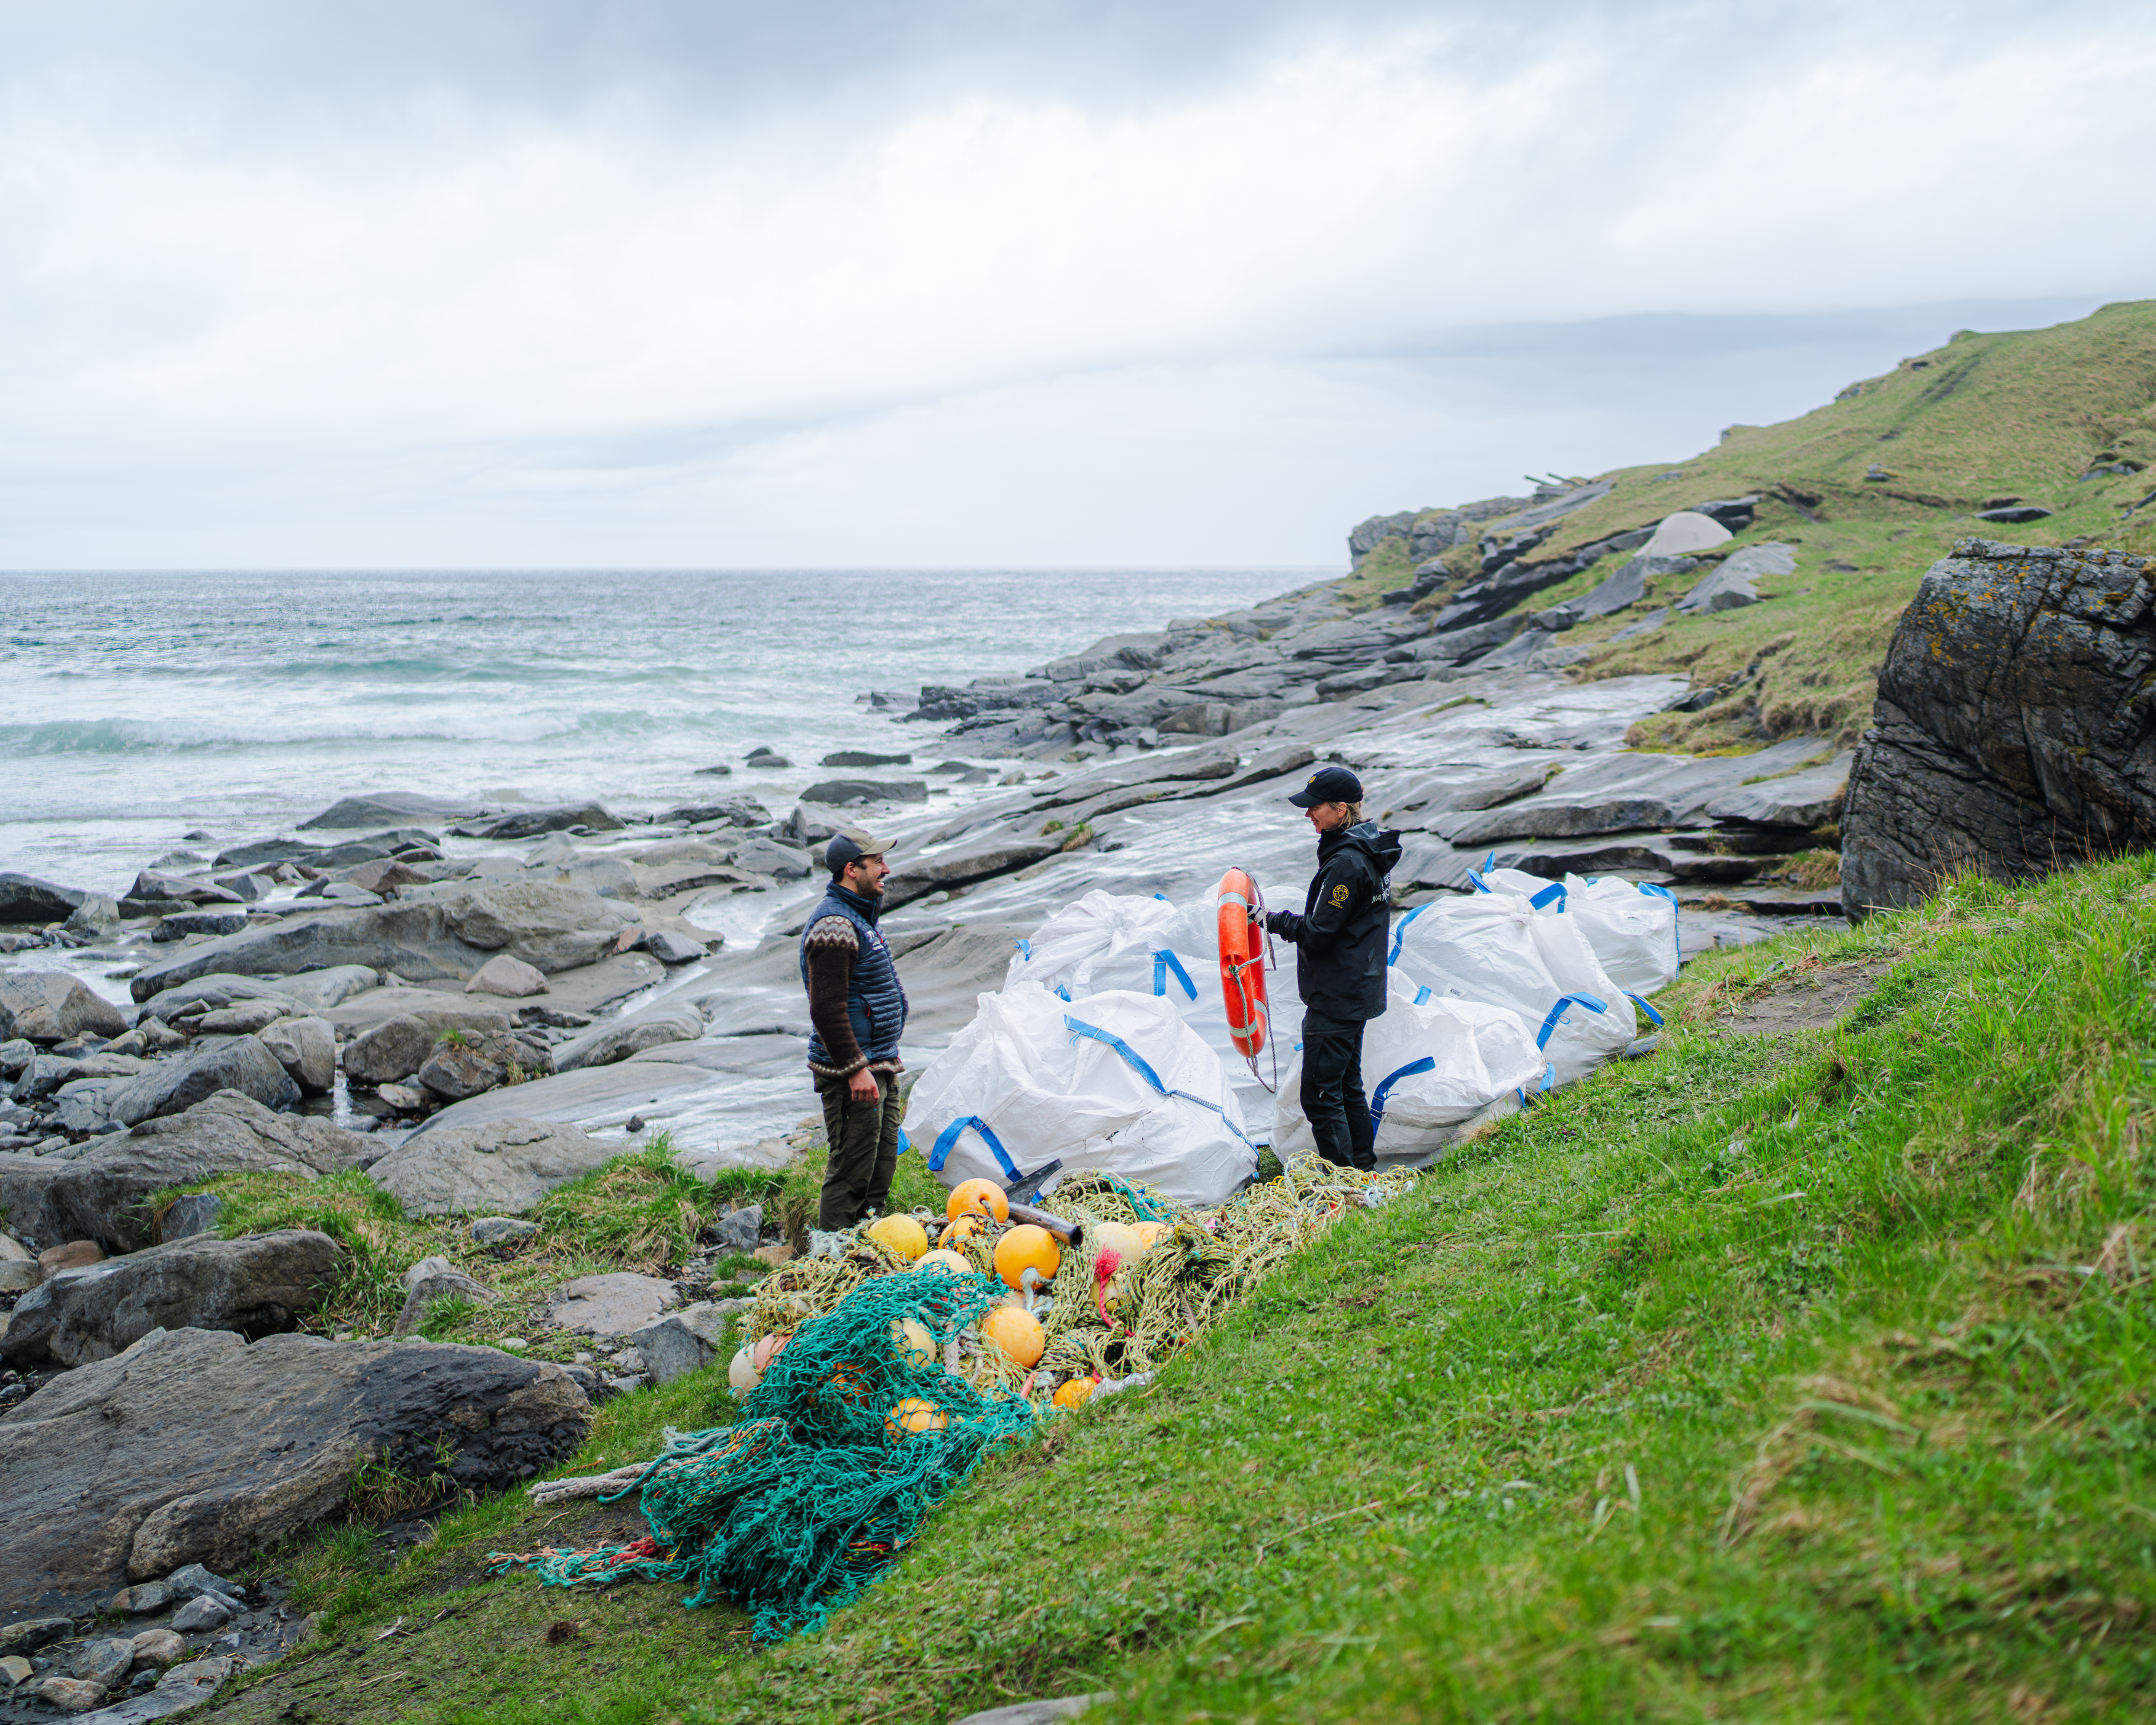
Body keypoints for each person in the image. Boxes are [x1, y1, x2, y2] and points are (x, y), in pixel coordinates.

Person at [1264, 765, 1402, 1172]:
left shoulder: (1347, 863)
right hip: (1362, 984)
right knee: (1346, 1085)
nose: (1308, 815)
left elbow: (1320, 931)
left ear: (1340, 810)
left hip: (1338, 994)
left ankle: (1344, 1182)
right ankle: (1362, 1169)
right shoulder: (1371, 849)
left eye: (1314, 808)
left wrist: (1267, 920)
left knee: (1320, 1096)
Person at [800, 828, 910, 1228]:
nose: (886, 869)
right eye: (877, 862)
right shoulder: (834, 926)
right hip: (854, 1073)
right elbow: (825, 1009)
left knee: (879, 1171)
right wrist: (854, 1068)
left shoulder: (858, 917)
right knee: (850, 1174)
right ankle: (829, 1260)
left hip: (879, 1063)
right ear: (852, 869)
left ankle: (862, 1250)